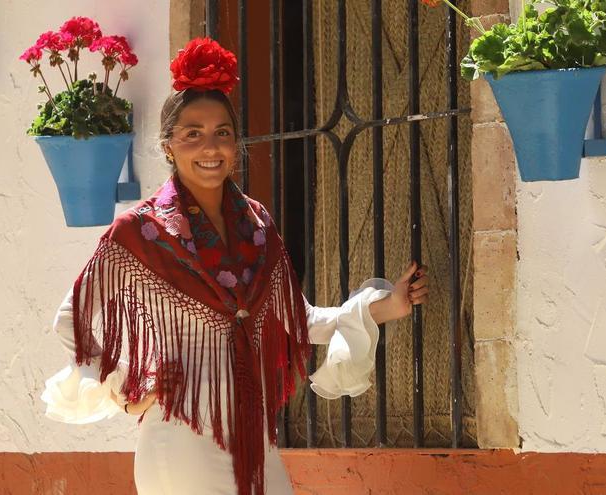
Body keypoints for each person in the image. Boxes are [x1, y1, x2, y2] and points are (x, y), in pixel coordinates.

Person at [40, 37, 429, 495]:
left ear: (236, 141)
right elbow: (72, 320)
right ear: (169, 146)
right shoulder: (138, 232)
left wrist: (383, 308)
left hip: (254, 439)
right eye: (192, 133)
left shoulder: (257, 224)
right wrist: (127, 391)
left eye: (222, 132)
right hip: (180, 442)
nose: (210, 146)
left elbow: (296, 319)